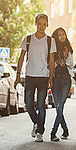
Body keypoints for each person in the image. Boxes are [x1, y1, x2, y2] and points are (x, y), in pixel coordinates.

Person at [15, 14, 56, 143]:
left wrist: (51, 77)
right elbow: (21, 58)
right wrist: (17, 75)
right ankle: (37, 123)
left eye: (44, 24)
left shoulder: (50, 41)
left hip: (43, 76)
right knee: (28, 104)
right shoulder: (27, 39)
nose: (42, 26)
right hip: (30, 76)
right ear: (35, 24)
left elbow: (51, 60)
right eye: (39, 24)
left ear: (47, 25)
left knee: (41, 105)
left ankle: (40, 132)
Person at [49, 27, 76, 142]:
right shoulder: (52, 50)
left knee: (61, 106)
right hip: (55, 80)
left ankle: (53, 132)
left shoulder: (68, 49)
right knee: (58, 107)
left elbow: (72, 65)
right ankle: (65, 129)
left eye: (64, 34)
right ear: (56, 37)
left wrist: (65, 61)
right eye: (60, 35)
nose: (62, 36)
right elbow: (48, 64)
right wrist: (56, 63)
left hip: (66, 79)